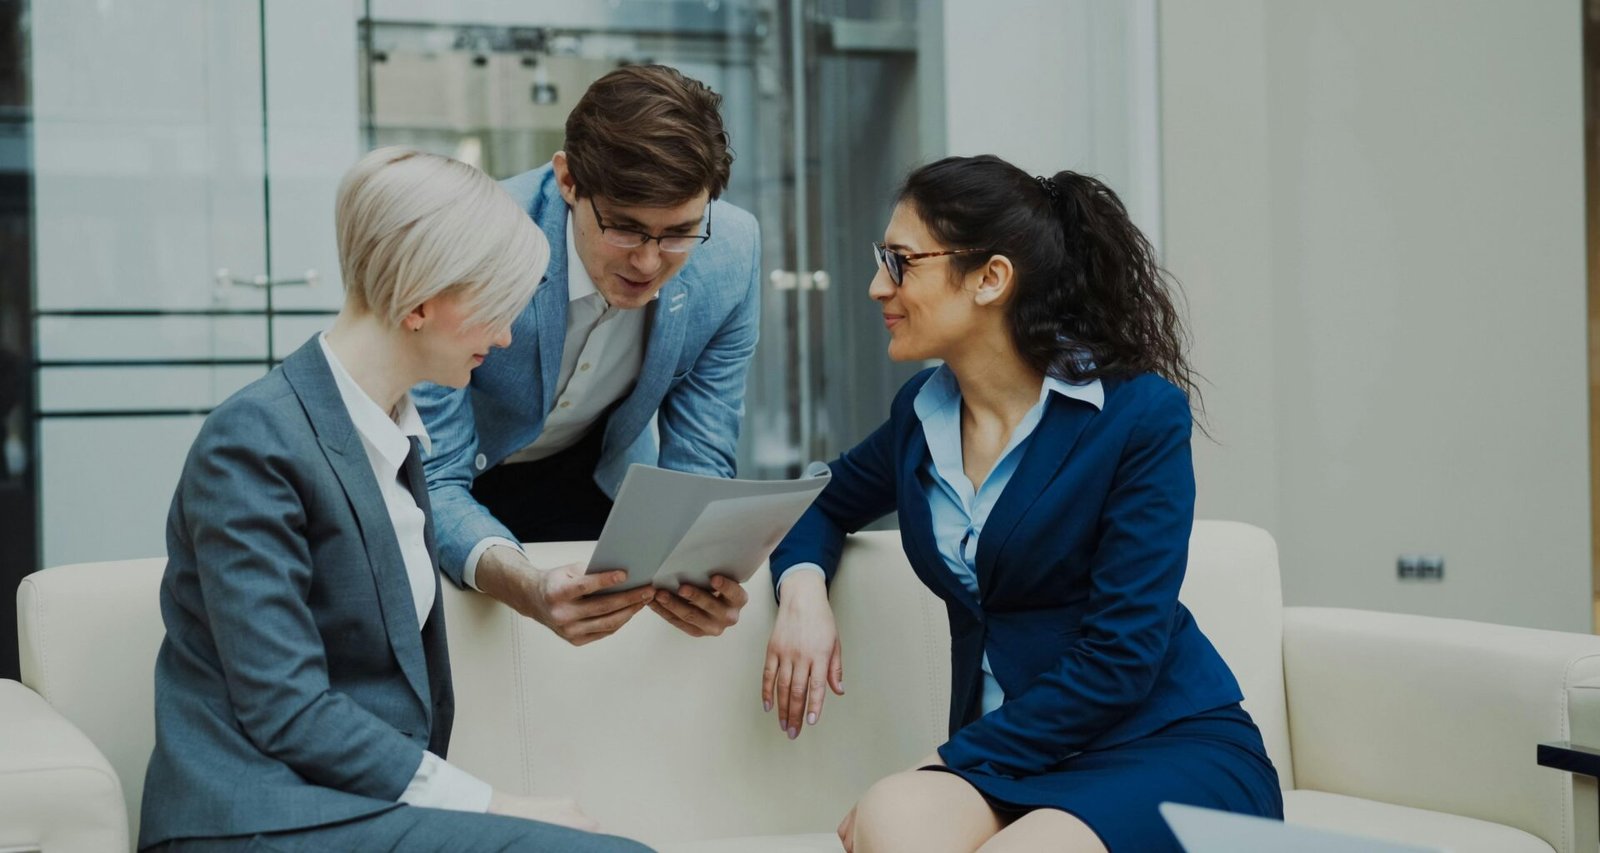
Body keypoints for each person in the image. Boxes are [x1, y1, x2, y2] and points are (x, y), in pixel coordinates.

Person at [760, 155, 1283, 853]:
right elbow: (814, 504)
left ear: (991, 278)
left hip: (1159, 744)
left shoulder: (1137, 416)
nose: (876, 286)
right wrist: (802, 594)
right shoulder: (921, 415)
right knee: (890, 819)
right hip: (1011, 762)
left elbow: (1121, 656)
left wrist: (947, 760)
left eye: (901, 261)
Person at [139, 147, 651, 853]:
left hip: (347, 809)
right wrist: (493, 803)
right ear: (421, 301)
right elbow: (286, 708)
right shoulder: (255, 441)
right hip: (254, 820)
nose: (505, 337)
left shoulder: (397, 439)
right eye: (496, 308)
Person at [418, 65, 761, 647]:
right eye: (625, 230)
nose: (649, 264)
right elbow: (433, 474)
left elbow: (699, 457)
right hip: (458, 480)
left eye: (679, 233)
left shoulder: (730, 252)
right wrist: (523, 584)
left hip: (596, 474)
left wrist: (698, 570)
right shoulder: (472, 245)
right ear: (568, 180)